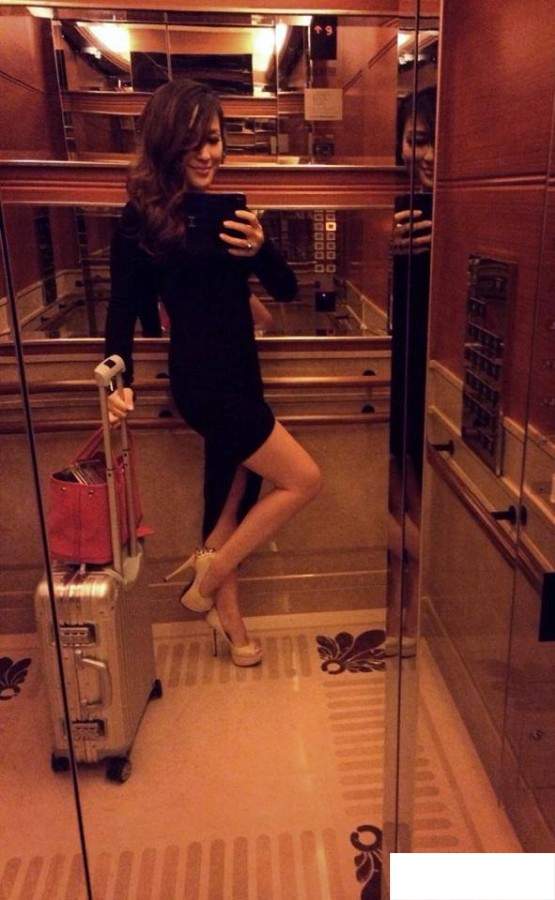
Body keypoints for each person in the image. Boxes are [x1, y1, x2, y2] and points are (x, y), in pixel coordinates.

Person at [105, 79, 322, 666]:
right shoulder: (141, 220)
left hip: (242, 373)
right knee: (304, 480)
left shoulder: (232, 216)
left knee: (230, 497)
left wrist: (261, 247)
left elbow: (286, 290)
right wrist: (118, 384)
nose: (209, 154)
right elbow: (121, 311)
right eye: (194, 142)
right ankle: (206, 582)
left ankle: (231, 626)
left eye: (216, 139)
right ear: (167, 144)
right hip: (203, 383)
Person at [386, 85, 436, 657]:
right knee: (395, 484)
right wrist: (387, 246)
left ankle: (417, 607)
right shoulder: (397, 203)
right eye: (415, 140)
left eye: (433, 142)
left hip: (433, 364)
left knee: (419, 491)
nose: (424, 155)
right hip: (398, 358)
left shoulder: (465, 210)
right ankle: (398, 603)